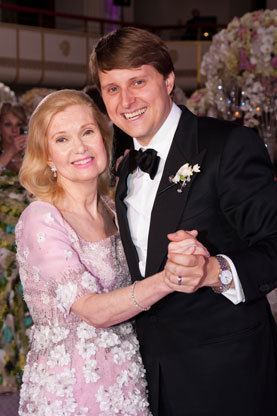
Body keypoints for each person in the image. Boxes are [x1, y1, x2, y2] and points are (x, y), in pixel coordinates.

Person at [90, 27, 277, 416]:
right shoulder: (124, 172)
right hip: (150, 378)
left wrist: (214, 271)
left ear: (169, 80)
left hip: (226, 378)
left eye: (138, 81)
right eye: (112, 89)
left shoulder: (228, 146)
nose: (126, 101)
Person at [15, 89, 206, 415]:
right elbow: (93, 311)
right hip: (71, 390)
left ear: (104, 137)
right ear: (46, 155)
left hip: (128, 379)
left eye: (87, 132)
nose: (80, 147)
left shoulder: (113, 207)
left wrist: (186, 249)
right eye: (61, 139)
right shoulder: (42, 218)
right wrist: (169, 278)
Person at [0, 102, 32, 392]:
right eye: (7, 125)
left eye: (18, 125)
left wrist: (25, 158)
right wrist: (8, 155)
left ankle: (23, 368)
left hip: (25, 239)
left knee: (24, 303)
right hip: (1, 243)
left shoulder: (30, 159)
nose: (13, 131)